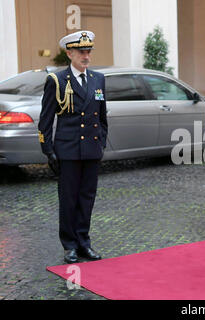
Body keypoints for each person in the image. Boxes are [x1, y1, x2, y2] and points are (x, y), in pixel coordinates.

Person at [38, 30, 108, 264]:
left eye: (88, 51)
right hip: (67, 151)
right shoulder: (56, 81)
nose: (86, 56)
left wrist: (102, 140)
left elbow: (103, 116)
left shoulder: (99, 79)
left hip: (92, 149)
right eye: (81, 51)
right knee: (69, 199)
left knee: (87, 197)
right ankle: (69, 245)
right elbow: (46, 120)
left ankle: (83, 243)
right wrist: (48, 150)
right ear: (69, 53)